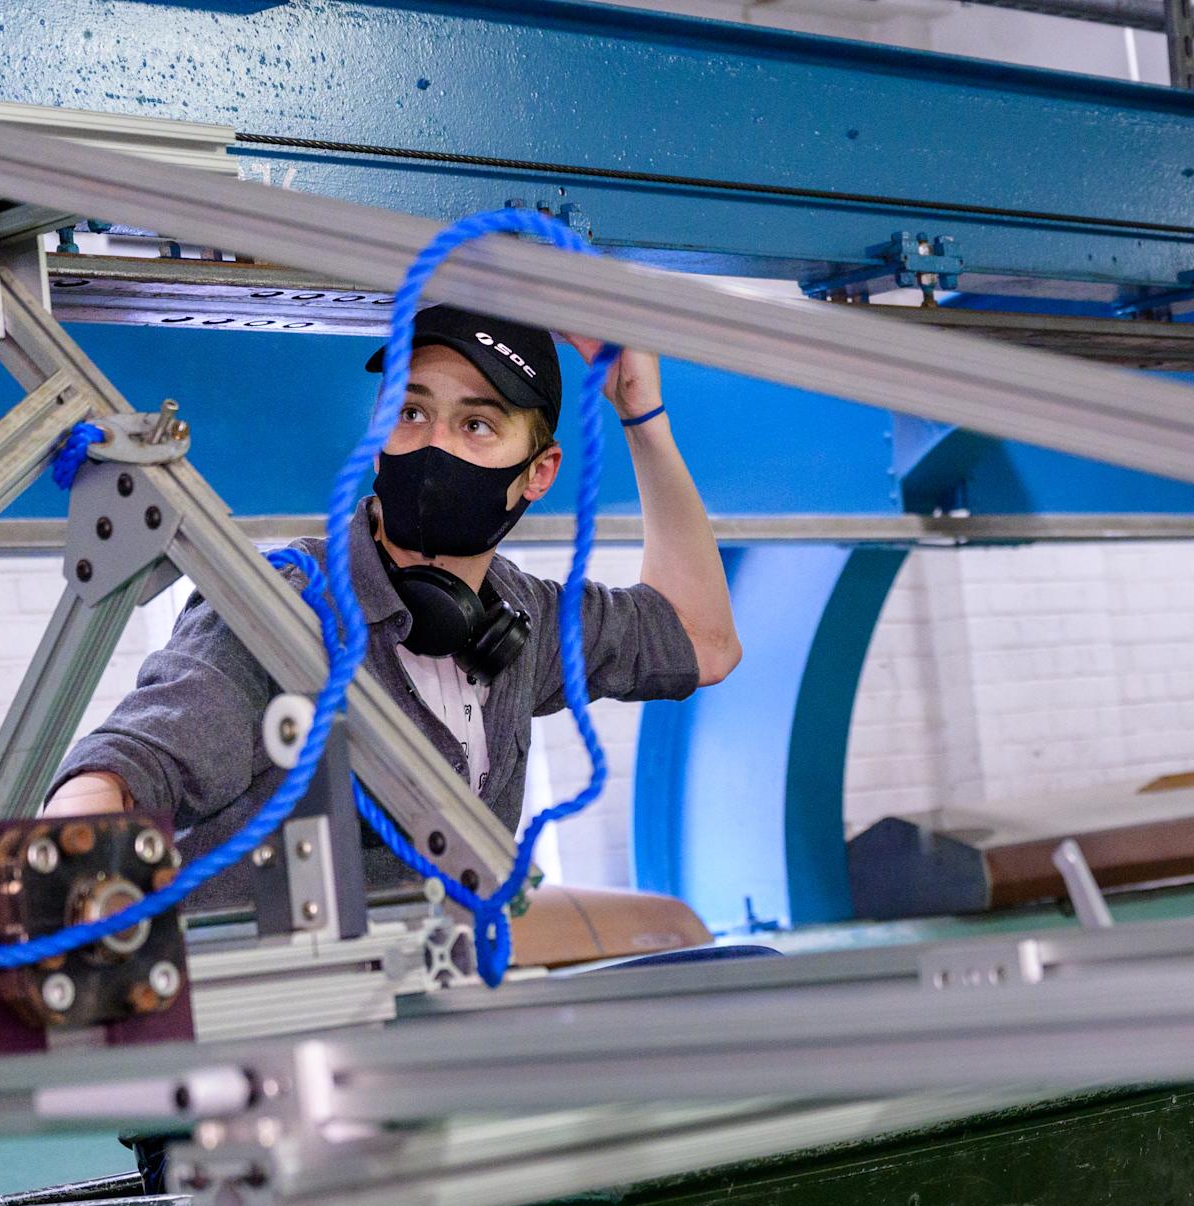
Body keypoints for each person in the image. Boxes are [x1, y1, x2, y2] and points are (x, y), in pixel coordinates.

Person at [43, 304, 742, 909]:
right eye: (412, 412)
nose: (434, 443)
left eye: (477, 424)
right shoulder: (283, 607)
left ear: (539, 474)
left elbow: (702, 639)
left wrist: (642, 417)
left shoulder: (517, 619)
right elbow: (125, 768)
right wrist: (78, 859)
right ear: (378, 443)